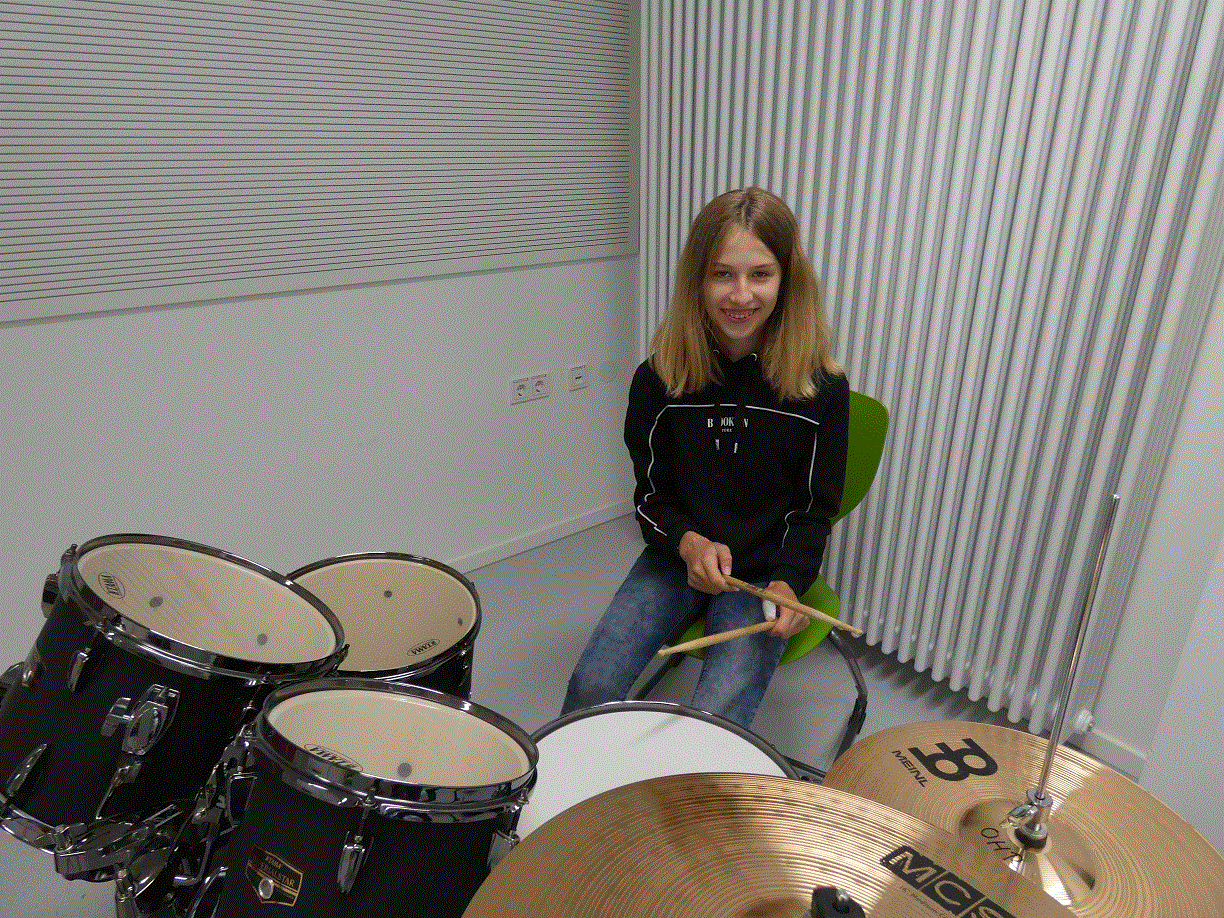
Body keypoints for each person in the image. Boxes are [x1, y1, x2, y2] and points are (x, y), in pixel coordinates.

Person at [561, 187, 849, 728]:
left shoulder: (823, 390)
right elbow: (651, 498)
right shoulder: (658, 380)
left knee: (712, 720)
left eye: (760, 274)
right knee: (592, 685)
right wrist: (687, 542)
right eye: (722, 274)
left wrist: (789, 581)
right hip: (677, 555)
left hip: (762, 572)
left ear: (787, 280)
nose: (741, 295)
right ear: (697, 280)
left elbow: (814, 510)